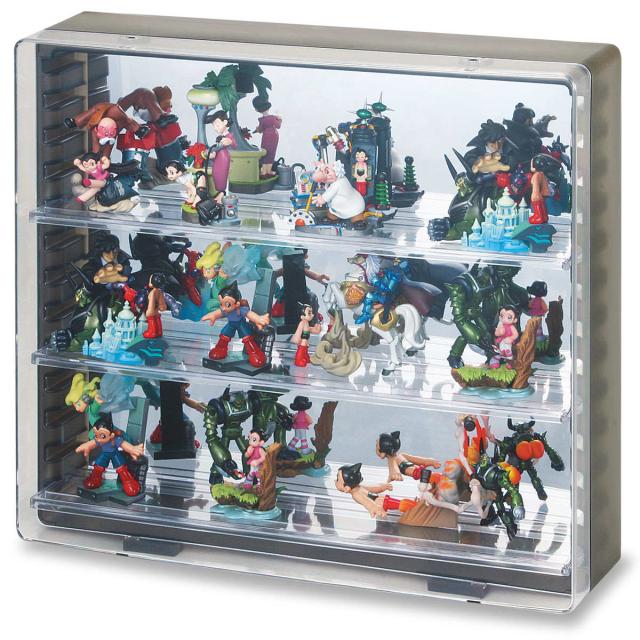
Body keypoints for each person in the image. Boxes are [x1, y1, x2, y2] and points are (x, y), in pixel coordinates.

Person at [201, 280, 270, 368]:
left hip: (241, 324)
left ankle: (255, 353)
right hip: (231, 324)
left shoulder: (240, 309)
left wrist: (258, 319)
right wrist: (213, 315)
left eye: (227, 304)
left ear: (237, 304)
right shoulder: (225, 309)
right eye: (221, 304)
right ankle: (220, 349)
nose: (223, 308)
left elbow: (249, 314)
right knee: (224, 336)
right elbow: (219, 312)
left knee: (247, 339)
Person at [75, 417, 144, 496]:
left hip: (115, 455)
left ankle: (129, 483)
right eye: (96, 435)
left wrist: (133, 449)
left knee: (122, 469)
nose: (98, 439)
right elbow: (93, 443)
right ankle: (94, 479)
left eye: (102, 436)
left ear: (111, 435)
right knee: (98, 467)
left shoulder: (115, 439)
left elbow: (124, 445)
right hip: (104, 454)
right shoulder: (99, 439)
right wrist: (86, 446)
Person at [205, 110, 237, 202]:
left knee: (222, 177)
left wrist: (227, 141)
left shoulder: (228, 136)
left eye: (218, 125)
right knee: (217, 176)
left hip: (223, 159)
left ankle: (221, 197)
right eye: (214, 126)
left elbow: (232, 143)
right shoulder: (221, 137)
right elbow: (217, 149)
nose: (216, 128)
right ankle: (219, 196)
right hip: (218, 159)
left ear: (225, 122)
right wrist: (212, 154)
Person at [252, 96, 281, 178]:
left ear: (257, 109)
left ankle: (264, 171)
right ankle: (268, 170)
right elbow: (278, 126)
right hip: (273, 135)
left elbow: (260, 129)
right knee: (271, 152)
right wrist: (280, 119)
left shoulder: (261, 119)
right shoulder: (272, 118)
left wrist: (257, 130)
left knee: (265, 151)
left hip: (266, 135)